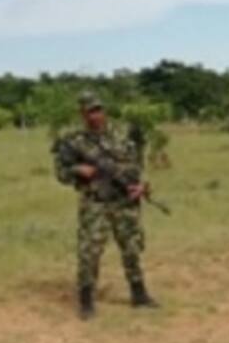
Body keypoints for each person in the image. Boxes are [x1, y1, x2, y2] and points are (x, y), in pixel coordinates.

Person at [52, 93, 160, 319]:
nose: (96, 115)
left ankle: (139, 295)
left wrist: (141, 186)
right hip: (95, 204)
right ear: (82, 114)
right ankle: (86, 301)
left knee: (132, 248)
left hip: (125, 201)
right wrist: (77, 170)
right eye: (90, 111)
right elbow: (60, 173)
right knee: (89, 252)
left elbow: (137, 166)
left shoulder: (124, 135)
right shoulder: (74, 142)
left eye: (98, 109)